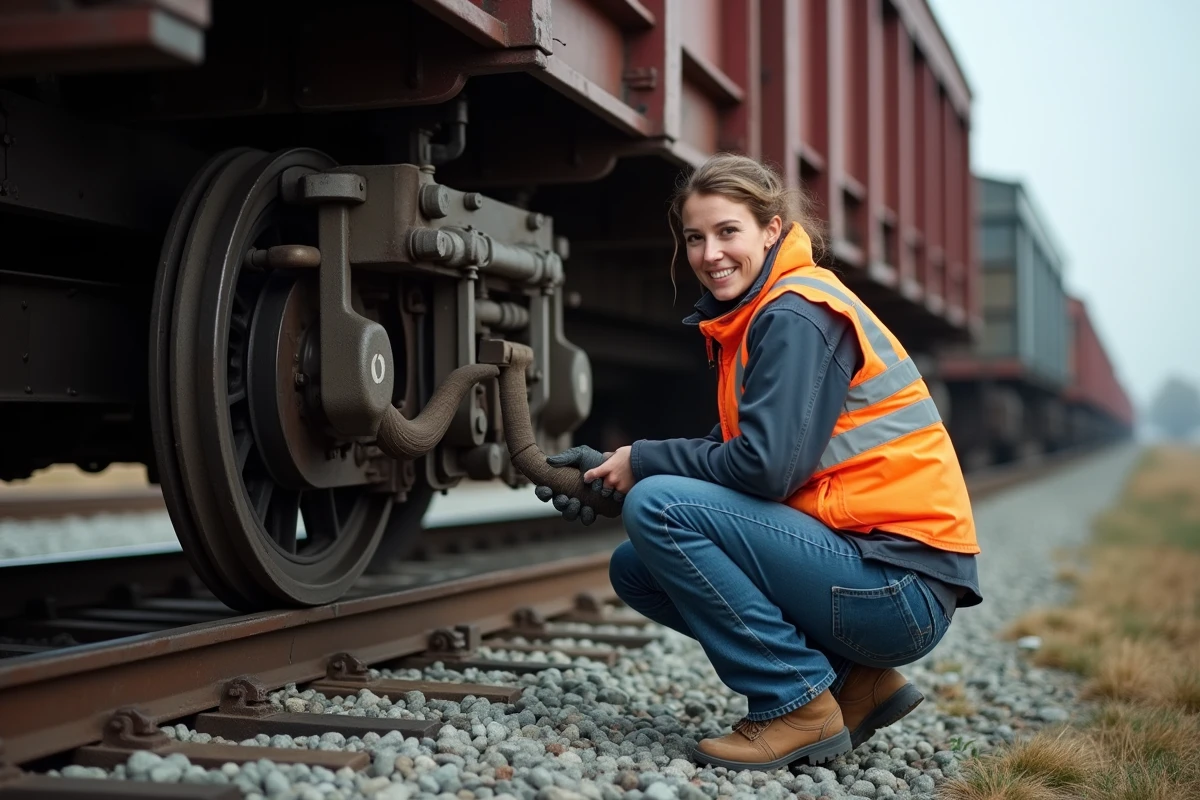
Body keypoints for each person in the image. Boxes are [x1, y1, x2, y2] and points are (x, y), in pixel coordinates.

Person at [537, 153, 982, 772]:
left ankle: (795, 704)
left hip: (897, 587)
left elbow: (766, 470)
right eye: (695, 238)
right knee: (636, 568)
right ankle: (854, 684)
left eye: (728, 232)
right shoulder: (763, 314)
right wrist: (610, 472)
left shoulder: (797, 314)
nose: (710, 253)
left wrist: (645, 464)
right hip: (876, 570)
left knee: (659, 506)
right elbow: (734, 468)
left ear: (772, 230)